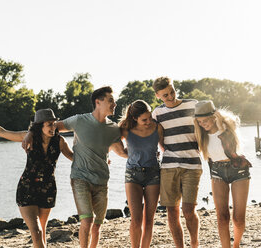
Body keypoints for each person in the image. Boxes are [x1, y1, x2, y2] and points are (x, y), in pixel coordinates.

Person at [22, 86, 128, 248]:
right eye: (111, 100)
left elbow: (121, 152)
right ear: (98, 102)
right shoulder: (79, 120)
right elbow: (51, 126)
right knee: (87, 220)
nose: (114, 104)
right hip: (80, 179)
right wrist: (30, 132)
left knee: (97, 224)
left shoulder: (113, 129)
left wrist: (145, 153)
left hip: (102, 181)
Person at [0, 107, 73, 248]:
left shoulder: (60, 141)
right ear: (40, 126)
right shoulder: (29, 138)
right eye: (49, 124)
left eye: (54, 124)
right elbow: (3, 132)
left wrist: (100, 158)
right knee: (36, 231)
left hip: (48, 190)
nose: (53, 127)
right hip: (27, 189)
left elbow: (75, 158)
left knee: (42, 231)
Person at [151, 77, 202, 248]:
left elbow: (206, 128)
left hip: (192, 165)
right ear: (158, 95)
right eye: (165, 95)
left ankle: (194, 243)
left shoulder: (192, 105)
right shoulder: (157, 113)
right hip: (169, 166)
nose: (171, 96)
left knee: (188, 210)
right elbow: (158, 138)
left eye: (172, 91)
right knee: (172, 212)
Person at [193, 100, 251, 248]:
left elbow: (228, 119)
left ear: (214, 116)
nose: (203, 124)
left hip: (238, 169)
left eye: (205, 120)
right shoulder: (201, 134)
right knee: (222, 217)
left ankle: (236, 245)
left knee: (238, 218)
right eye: (199, 122)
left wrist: (219, 117)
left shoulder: (227, 126)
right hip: (217, 171)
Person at [118, 100, 164, 248]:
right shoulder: (125, 129)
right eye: (144, 119)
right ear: (134, 118)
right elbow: (113, 145)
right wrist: (128, 155)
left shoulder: (157, 128)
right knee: (136, 219)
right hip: (132, 175)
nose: (148, 121)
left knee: (149, 219)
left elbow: (165, 149)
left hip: (153, 174)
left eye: (150, 117)